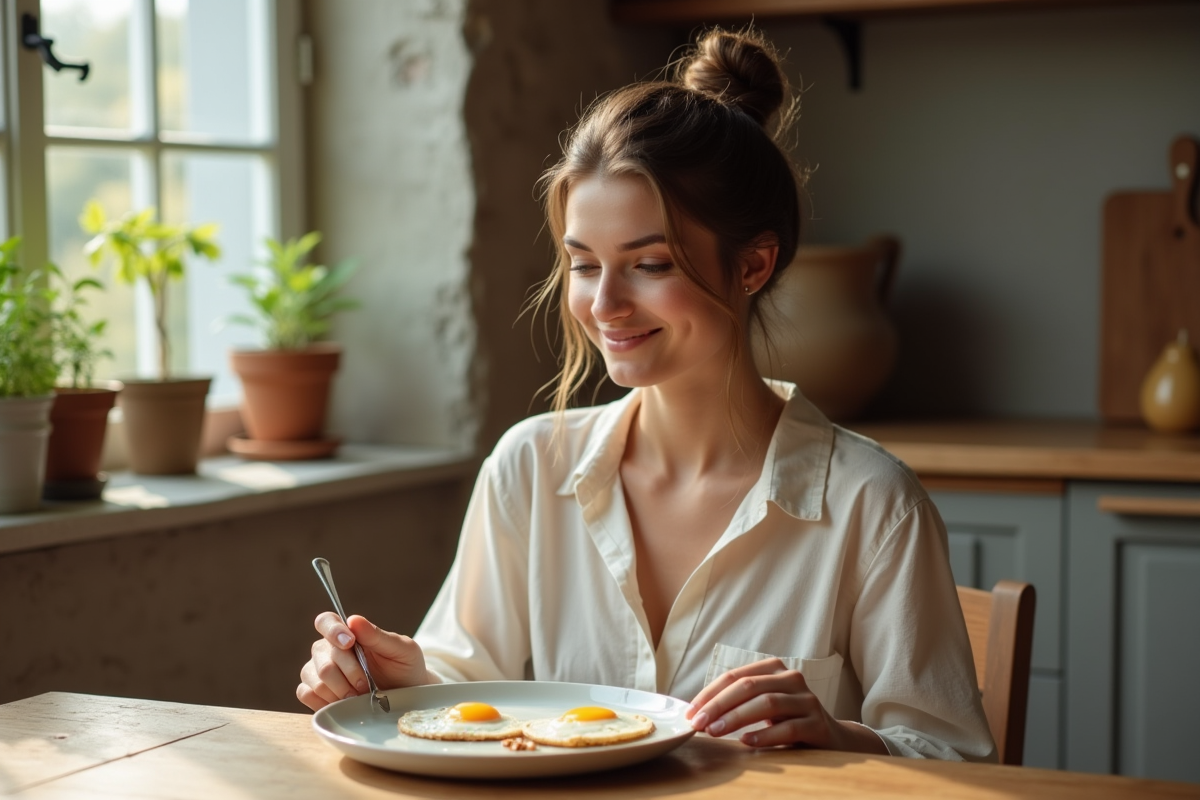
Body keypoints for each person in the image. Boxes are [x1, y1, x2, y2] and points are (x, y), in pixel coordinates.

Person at [297, 28, 996, 762]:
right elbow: (465, 692)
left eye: (649, 263)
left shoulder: (871, 503)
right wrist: (400, 682)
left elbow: (956, 763)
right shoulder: (530, 467)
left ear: (754, 264)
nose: (605, 304)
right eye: (584, 264)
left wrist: (835, 735)